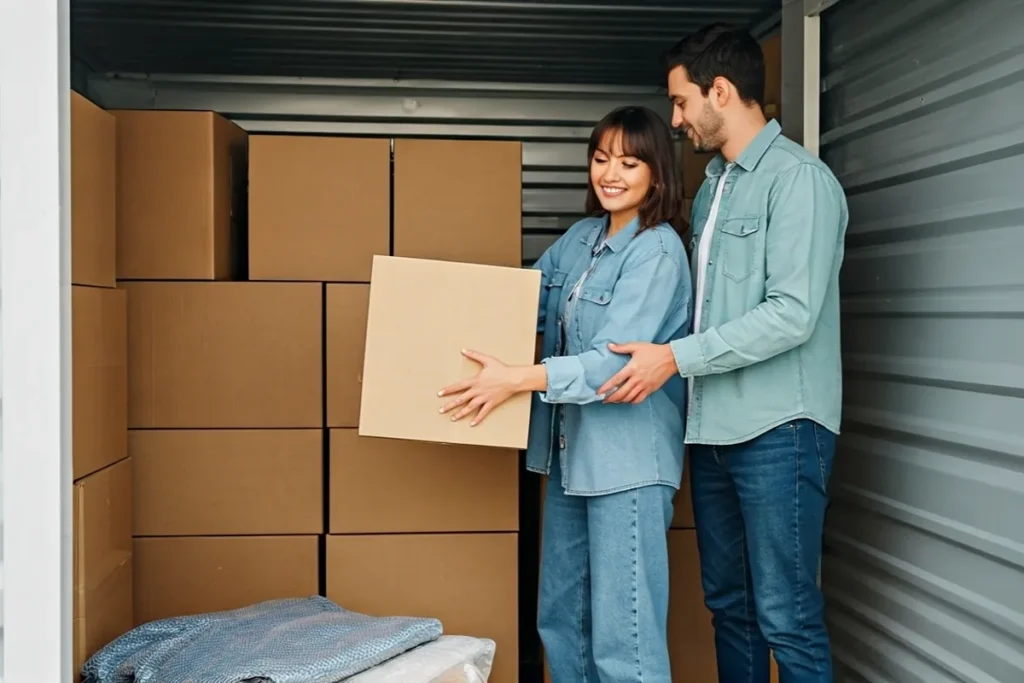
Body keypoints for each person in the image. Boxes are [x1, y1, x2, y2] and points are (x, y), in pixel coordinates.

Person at [596, 24, 849, 683]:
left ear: (721, 91)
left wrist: (674, 358)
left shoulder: (800, 182)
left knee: (786, 615)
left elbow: (792, 314)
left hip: (779, 430)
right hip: (712, 434)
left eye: (681, 103)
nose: (675, 119)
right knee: (730, 609)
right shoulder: (713, 188)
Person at [437, 106, 692, 683]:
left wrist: (515, 378)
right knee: (562, 623)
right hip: (570, 457)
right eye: (601, 159)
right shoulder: (581, 240)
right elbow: (518, 301)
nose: (611, 173)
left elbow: (611, 363)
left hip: (627, 465)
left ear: (658, 172)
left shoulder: (656, 252)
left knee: (623, 639)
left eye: (629, 162)